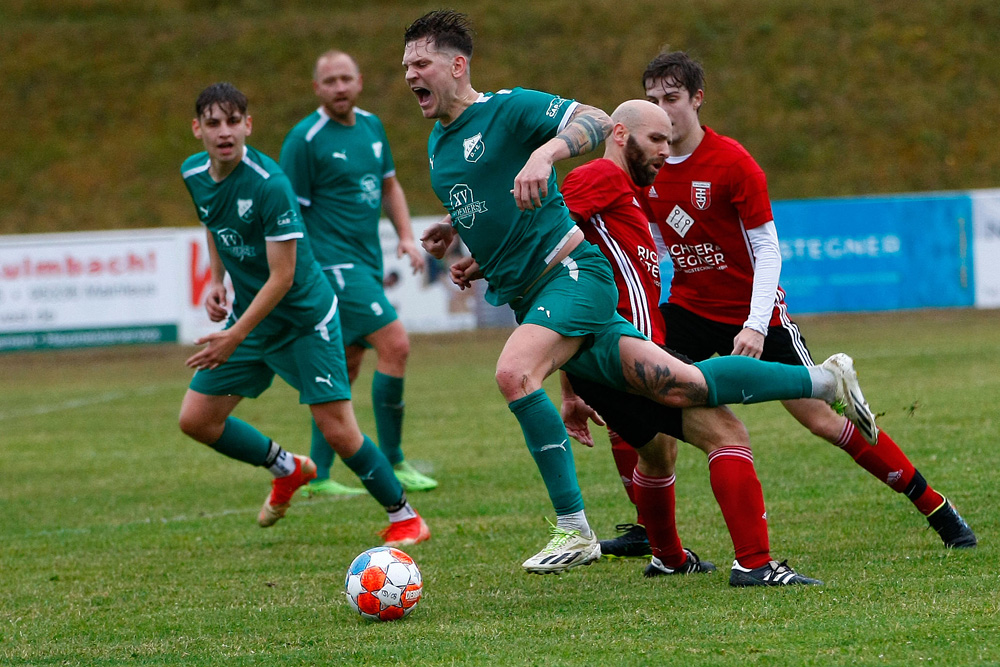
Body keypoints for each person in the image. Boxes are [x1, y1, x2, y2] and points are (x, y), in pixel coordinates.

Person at [404, 10, 877, 575]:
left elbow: (595, 119)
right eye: (406, 65)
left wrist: (546, 152)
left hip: (571, 278)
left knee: (514, 374)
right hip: (537, 296)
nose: (410, 74)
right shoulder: (438, 144)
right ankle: (826, 378)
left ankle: (574, 530)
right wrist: (461, 233)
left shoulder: (506, 109)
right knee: (685, 385)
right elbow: (496, 199)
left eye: (420, 62)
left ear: (457, 66)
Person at [631, 50, 975, 550]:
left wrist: (753, 323)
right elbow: (656, 242)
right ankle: (654, 539)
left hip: (757, 317)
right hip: (687, 309)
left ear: (697, 99)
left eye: (672, 98)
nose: (662, 110)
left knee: (822, 418)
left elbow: (768, 248)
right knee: (634, 387)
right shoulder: (651, 168)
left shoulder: (733, 163)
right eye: (652, 101)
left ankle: (935, 506)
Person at [559, 99, 821, 586]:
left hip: (599, 362)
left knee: (657, 452)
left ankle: (668, 558)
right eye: (655, 139)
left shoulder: (628, 196)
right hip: (624, 355)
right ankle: (755, 565)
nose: (666, 149)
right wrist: (487, 256)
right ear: (619, 135)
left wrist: (571, 386)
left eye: (668, 139)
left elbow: (564, 275)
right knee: (727, 433)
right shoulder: (601, 178)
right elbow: (545, 237)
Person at [177, 82, 430, 546]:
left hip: (303, 319)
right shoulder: (193, 172)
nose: (224, 132)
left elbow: (283, 277)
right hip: (255, 320)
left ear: (248, 125)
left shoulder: (270, 184)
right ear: (198, 130)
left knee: (338, 429)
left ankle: (406, 518)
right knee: (197, 419)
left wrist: (234, 334)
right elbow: (213, 223)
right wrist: (216, 280)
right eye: (213, 123)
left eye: (233, 121)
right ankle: (287, 468)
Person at [280, 50, 438, 497]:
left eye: (346, 78)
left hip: (365, 260)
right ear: (317, 88)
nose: (339, 87)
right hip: (331, 266)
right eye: (329, 80)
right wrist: (300, 273)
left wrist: (406, 237)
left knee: (345, 366)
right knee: (396, 345)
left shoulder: (371, 126)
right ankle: (394, 460)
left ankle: (318, 474)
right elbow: (286, 212)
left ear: (360, 81)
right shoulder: (304, 140)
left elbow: (389, 184)